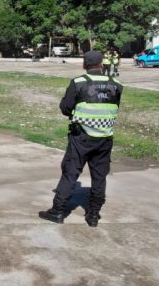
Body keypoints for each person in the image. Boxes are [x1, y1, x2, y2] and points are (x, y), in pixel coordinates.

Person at [38, 50, 123, 227]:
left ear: (84, 65)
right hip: (105, 138)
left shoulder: (78, 83)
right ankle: (93, 215)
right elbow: (115, 105)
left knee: (70, 173)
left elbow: (65, 108)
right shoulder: (116, 84)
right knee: (99, 177)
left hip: (81, 136)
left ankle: (58, 211)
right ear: (102, 65)